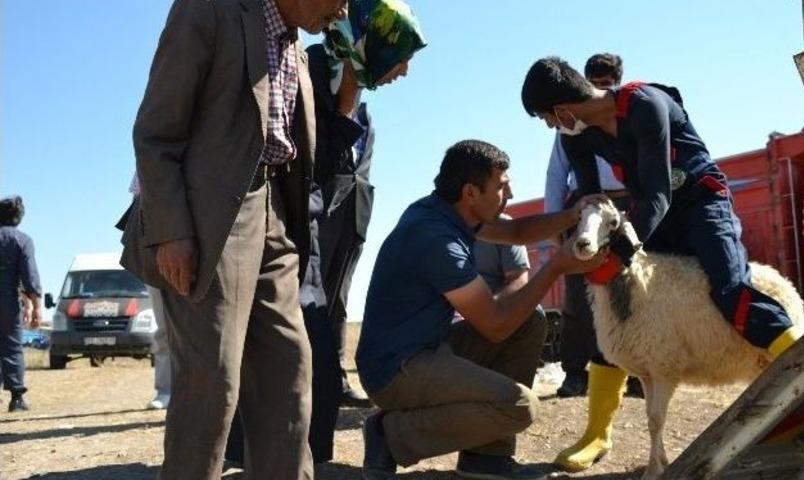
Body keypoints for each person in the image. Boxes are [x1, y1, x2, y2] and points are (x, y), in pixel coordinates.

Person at [521, 56, 804, 472]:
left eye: (547, 118)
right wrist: (589, 241)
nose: (551, 127)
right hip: (652, 214)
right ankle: (596, 433)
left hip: (701, 204)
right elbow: (590, 196)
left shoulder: (645, 106)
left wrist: (626, 246)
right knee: (621, 313)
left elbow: (656, 193)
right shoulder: (575, 138)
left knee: (731, 291)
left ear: (562, 110)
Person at [117, 0, 348, 478]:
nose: (345, 7)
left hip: (277, 217)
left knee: (290, 372)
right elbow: (156, 134)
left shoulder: (296, 45)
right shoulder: (209, 10)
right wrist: (172, 230)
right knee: (213, 382)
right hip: (210, 219)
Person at [224, 0, 427, 466]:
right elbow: (303, 162)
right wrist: (348, 93)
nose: (405, 71)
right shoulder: (308, 70)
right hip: (287, 230)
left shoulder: (358, 99)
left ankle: (312, 459)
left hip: (332, 235)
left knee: (318, 344)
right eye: (400, 54)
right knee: (290, 347)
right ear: (369, 44)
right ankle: (257, 456)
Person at [357, 140, 607, 480]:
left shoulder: (446, 212)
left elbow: (516, 231)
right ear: (471, 192)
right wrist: (554, 268)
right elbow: (496, 325)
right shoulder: (436, 239)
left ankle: (486, 458)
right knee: (520, 407)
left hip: (426, 348)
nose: (511, 193)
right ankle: (391, 435)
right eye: (502, 186)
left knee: (529, 321)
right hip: (396, 371)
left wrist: (572, 215)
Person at [545, 53, 638, 399]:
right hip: (584, 209)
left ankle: (636, 374)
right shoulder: (569, 125)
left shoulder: (630, 117)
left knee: (633, 292)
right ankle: (574, 373)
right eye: (594, 83)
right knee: (579, 296)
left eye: (607, 83)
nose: (602, 88)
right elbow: (557, 174)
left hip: (630, 208)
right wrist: (555, 222)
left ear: (616, 81)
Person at [127, 174, 171, 411]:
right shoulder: (150, 156)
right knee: (164, 328)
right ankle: (165, 389)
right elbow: (140, 204)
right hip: (156, 249)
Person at [0, 195, 42, 413]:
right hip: (7, 302)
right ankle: (16, 398)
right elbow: (29, 276)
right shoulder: (22, 240)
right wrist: (35, 307)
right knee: (12, 347)